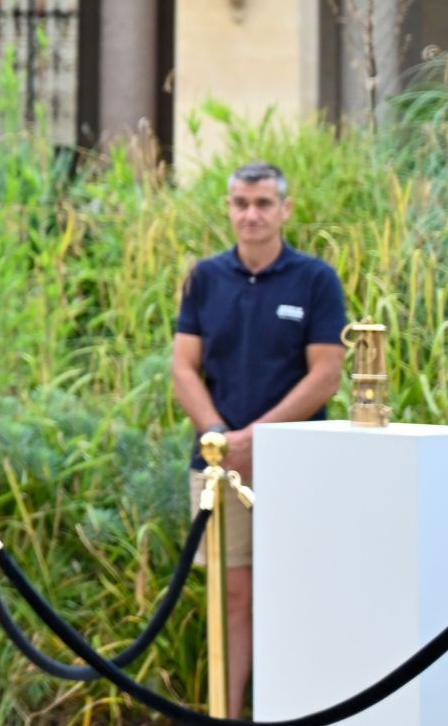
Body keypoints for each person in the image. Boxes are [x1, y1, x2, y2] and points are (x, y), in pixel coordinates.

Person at [172, 160, 347, 715]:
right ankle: (226, 710)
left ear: (285, 210)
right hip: (220, 464)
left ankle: (293, 709)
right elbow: (183, 367)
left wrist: (259, 437)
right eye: (241, 204)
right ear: (229, 207)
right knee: (234, 596)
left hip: (296, 462)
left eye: (263, 204)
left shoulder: (315, 279)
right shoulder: (205, 278)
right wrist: (221, 437)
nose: (251, 214)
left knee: (297, 595)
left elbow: (326, 373)